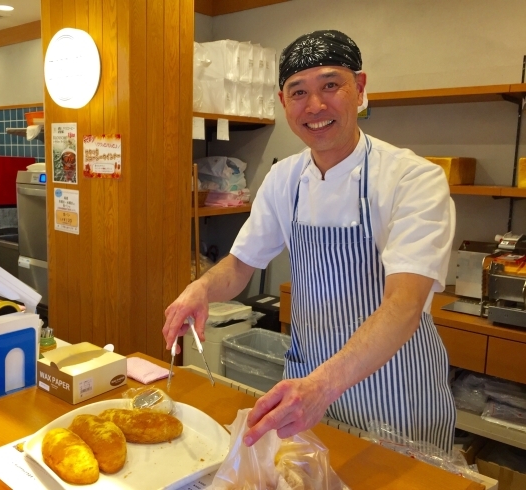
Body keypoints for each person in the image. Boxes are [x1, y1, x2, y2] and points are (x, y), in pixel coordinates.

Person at [163, 30, 456, 451]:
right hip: (310, 391)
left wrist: (324, 384)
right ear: (283, 103)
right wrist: (201, 288)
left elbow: (404, 305)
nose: (315, 106)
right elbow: (241, 263)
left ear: (360, 89)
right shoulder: (285, 179)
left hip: (396, 399)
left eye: (331, 85)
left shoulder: (413, 179)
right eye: (298, 92)